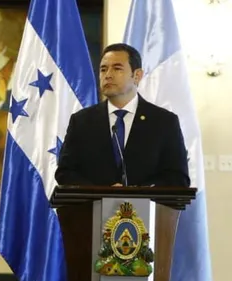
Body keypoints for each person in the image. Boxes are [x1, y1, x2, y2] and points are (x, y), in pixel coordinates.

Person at [55, 43, 190, 187]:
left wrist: (136, 193)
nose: (108, 75)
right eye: (103, 69)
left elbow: (177, 177)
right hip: (93, 201)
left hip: (146, 202)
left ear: (137, 75)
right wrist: (100, 192)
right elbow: (65, 173)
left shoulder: (164, 122)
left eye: (117, 68)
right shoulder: (81, 121)